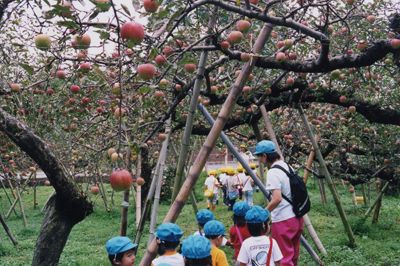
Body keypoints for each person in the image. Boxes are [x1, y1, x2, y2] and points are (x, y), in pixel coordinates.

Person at [254, 140, 304, 266]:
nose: (259, 160)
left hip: (283, 220)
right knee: (294, 254)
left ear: (264, 156)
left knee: (284, 257)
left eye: (259, 156)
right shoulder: (287, 166)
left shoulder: (273, 172)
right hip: (297, 216)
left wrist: (264, 213)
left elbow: (277, 199)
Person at [229, 201, 252, 266]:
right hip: (252, 255)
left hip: (239, 257)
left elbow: (232, 242)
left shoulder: (233, 229)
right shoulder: (252, 226)